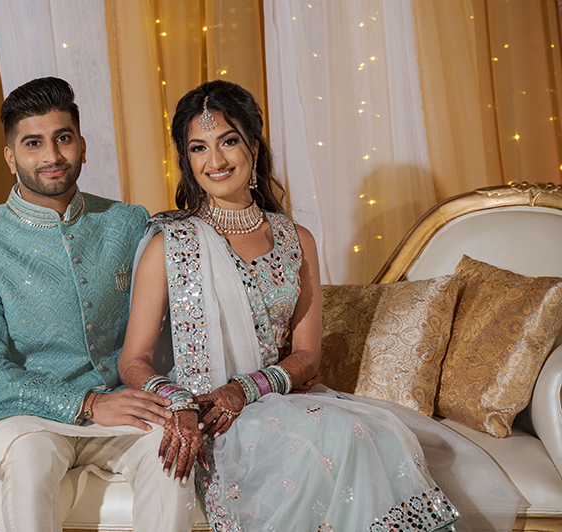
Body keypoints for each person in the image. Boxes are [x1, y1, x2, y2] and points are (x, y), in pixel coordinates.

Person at [119, 80, 521, 531]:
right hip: (206, 422)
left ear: (253, 145)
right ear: (186, 160)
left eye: (228, 141)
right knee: (343, 437)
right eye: (199, 148)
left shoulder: (295, 240)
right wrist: (181, 406)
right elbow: (133, 360)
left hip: (269, 399)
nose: (214, 161)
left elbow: (307, 356)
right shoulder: (170, 243)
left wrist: (244, 390)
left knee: (378, 433)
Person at [0, 77, 195, 532]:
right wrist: (86, 405)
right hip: (22, 416)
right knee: (27, 458)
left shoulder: (127, 223)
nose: (52, 156)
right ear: (11, 156)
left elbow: (168, 327)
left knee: (170, 447)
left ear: (81, 144)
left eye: (62, 139)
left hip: (123, 404)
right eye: (33, 143)